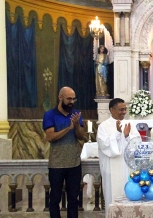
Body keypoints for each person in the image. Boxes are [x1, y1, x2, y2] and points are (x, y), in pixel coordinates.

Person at [42, 86, 85, 218]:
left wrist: (77, 125)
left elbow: (81, 136)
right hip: (57, 164)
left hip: (74, 163)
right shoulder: (50, 115)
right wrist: (68, 128)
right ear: (60, 97)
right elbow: (50, 137)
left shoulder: (76, 114)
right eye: (69, 98)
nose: (71, 101)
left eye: (73, 99)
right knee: (55, 199)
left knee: (73, 199)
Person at [97, 98, 140, 216]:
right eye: (121, 109)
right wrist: (117, 134)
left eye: (125, 109)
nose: (124, 112)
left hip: (127, 167)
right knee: (113, 194)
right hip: (111, 168)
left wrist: (126, 136)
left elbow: (137, 144)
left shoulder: (130, 124)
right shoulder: (103, 126)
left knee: (128, 194)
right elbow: (104, 145)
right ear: (112, 110)